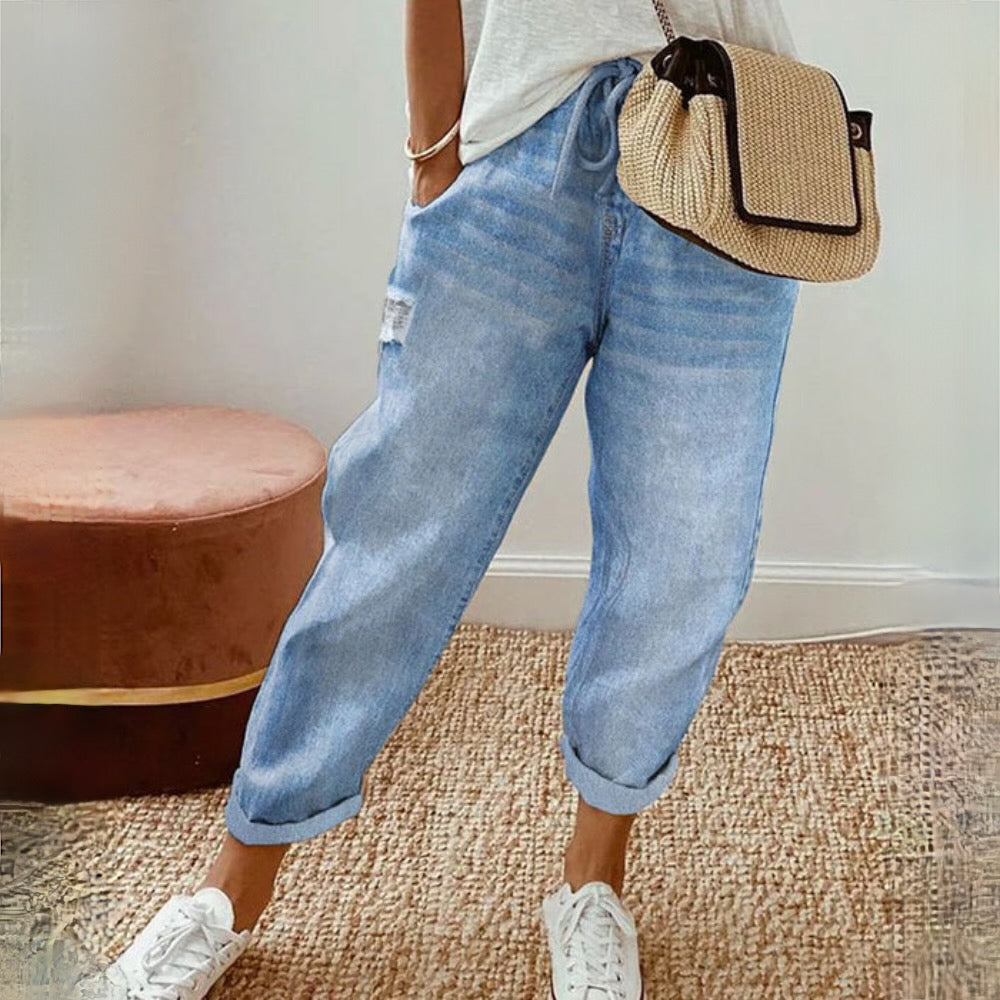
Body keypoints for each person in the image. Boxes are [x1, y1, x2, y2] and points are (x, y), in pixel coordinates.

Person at [78, 2, 801, 998]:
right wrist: (433, 149)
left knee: (686, 553)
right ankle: (230, 890)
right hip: (521, 148)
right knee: (397, 528)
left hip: (722, 148)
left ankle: (593, 883)